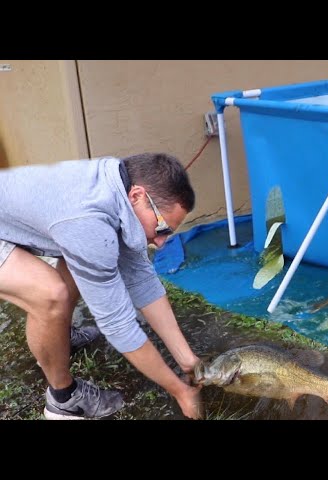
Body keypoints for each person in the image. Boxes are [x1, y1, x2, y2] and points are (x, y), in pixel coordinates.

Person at [0, 152, 203, 419]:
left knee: (82, 262)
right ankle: (63, 400)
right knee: (50, 295)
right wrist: (179, 390)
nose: (162, 242)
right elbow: (118, 325)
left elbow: (142, 280)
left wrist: (187, 359)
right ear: (137, 196)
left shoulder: (117, 187)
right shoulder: (88, 221)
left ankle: (57, 338)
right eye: (162, 228)